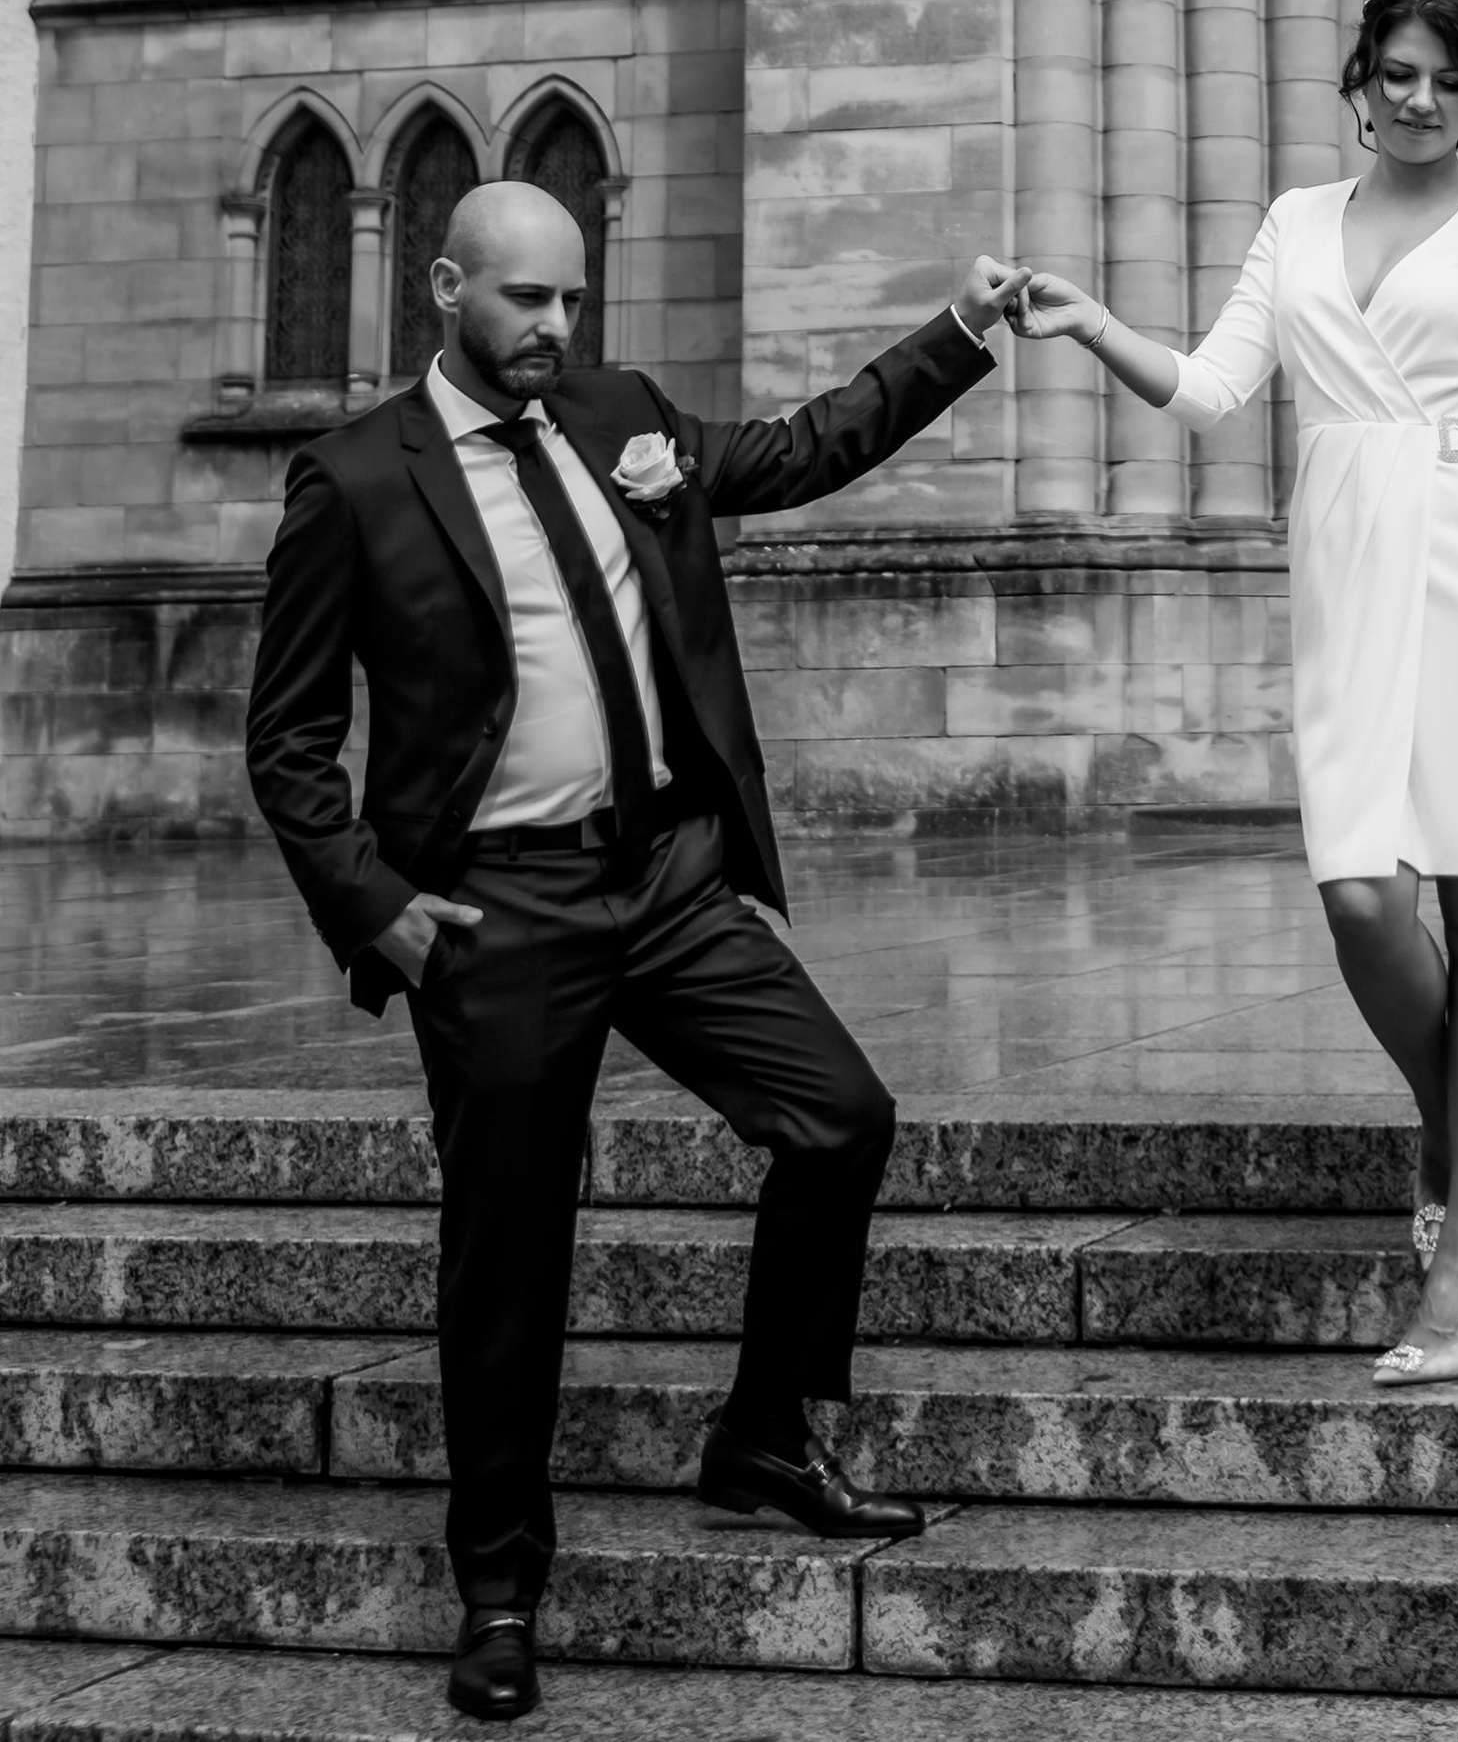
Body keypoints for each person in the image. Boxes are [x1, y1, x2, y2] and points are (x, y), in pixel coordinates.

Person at [246, 178, 1022, 1725]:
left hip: (665, 879)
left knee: (840, 1118)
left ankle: (760, 1437)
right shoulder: (355, 479)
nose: (555, 329)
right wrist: (377, 906)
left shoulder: (624, 419)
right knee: (511, 1247)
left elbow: (802, 450)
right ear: (446, 288)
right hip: (498, 914)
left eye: (574, 302)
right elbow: (288, 742)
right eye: (526, 300)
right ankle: (500, 1587)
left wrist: (959, 334)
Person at [1007, 0, 1458, 1383]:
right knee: (1357, 893)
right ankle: (1446, 1107)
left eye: (1450, 84)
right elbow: (1214, 391)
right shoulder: (1294, 221)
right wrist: (1091, 324)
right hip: (1344, 561)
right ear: (1360, 77)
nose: (1419, 102)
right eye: (1397, 75)